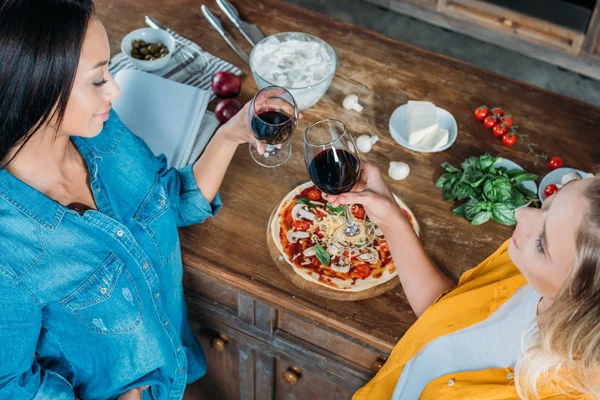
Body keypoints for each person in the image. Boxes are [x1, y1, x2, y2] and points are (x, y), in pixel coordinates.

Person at [0, 1, 265, 399]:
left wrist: (231, 133)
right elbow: (10, 383)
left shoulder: (103, 133)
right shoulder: (8, 249)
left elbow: (170, 200)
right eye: (97, 80)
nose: (115, 89)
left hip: (177, 374)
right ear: (39, 86)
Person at [326, 163, 600, 399]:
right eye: (547, 205)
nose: (521, 214)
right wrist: (388, 216)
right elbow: (449, 316)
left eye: (542, 244)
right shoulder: (521, 267)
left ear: (578, 298)